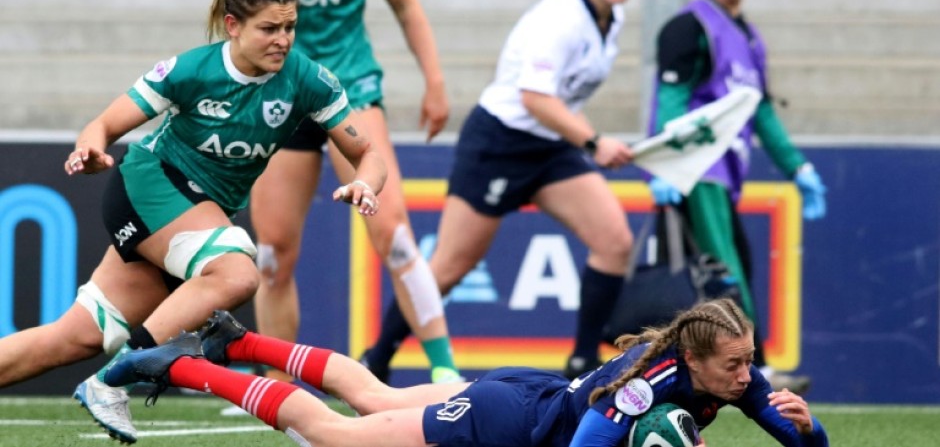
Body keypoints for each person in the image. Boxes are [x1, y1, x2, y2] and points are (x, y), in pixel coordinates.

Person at [0, 0, 387, 444]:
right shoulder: (190, 70)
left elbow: (367, 153)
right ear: (232, 26)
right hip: (149, 185)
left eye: (289, 27)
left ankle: (111, 368)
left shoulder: (308, 79)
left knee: (77, 336)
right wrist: (91, 149)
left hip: (192, 212)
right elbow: (101, 125)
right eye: (269, 28)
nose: (283, 40)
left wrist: (366, 184)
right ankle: (111, 382)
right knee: (237, 272)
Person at [361, 0, 640, 382]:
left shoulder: (615, 17)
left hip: (550, 144)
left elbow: (555, 104)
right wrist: (593, 141)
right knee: (450, 267)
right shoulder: (562, 17)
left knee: (615, 242)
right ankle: (377, 357)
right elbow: (534, 97)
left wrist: (582, 139)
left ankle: (583, 362)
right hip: (500, 142)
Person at [105, 298, 829, 447]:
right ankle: (194, 367)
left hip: (530, 390)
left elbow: (807, 446)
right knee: (336, 434)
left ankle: (239, 340)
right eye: (735, 365)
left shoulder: (734, 371)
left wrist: (810, 427)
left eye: (750, 362)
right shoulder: (644, 385)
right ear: (695, 360)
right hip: (507, 421)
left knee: (375, 391)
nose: (749, 377)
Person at [232, 0, 459, 384]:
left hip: (349, 90)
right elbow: (244, 0)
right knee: (273, 254)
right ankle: (278, 387)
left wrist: (434, 81)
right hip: (281, 95)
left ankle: (444, 370)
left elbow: (404, 2)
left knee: (393, 235)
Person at [646, 0, 828, 394]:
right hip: (696, 173)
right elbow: (669, 101)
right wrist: (665, 164)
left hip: (723, 177)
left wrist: (798, 167)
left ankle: (718, 369)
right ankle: (755, 369)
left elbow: (761, 111)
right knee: (726, 273)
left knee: (732, 270)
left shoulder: (748, 38)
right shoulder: (689, 26)